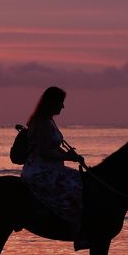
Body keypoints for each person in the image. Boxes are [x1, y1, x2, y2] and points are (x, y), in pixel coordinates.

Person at [22, 86, 85, 238]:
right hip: (40, 171)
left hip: (50, 168)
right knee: (77, 187)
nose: (63, 106)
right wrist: (68, 157)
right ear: (52, 103)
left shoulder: (49, 120)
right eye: (61, 102)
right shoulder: (43, 123)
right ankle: (70, 225)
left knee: (81, 181)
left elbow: (54, 147)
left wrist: (71, 156)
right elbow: (44, 152)